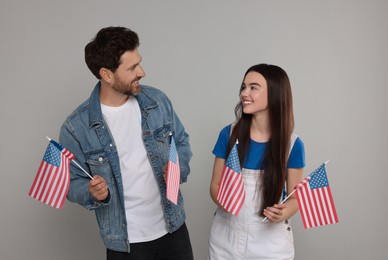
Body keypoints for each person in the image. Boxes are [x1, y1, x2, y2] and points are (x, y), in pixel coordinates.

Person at [59, 26, 194, 260]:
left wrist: (177, 165)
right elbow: (70, 182)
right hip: (126, 243)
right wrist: (92, 192)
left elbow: (181, 142)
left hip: (173, 228)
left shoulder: (157, 101)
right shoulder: (76, 127)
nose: (142, 71)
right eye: (132, 68)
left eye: (139, 63)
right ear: (107, 74)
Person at [208, 63, 305, 259]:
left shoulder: (293, 144)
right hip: (226, 237)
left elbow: (295, 198)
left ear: (275, 93)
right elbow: (215, 184)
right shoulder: (228, 135)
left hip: (270, 241)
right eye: (243, 87)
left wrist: (284, 212)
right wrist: (224, 200)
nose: (245, 93)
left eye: (253, 87)